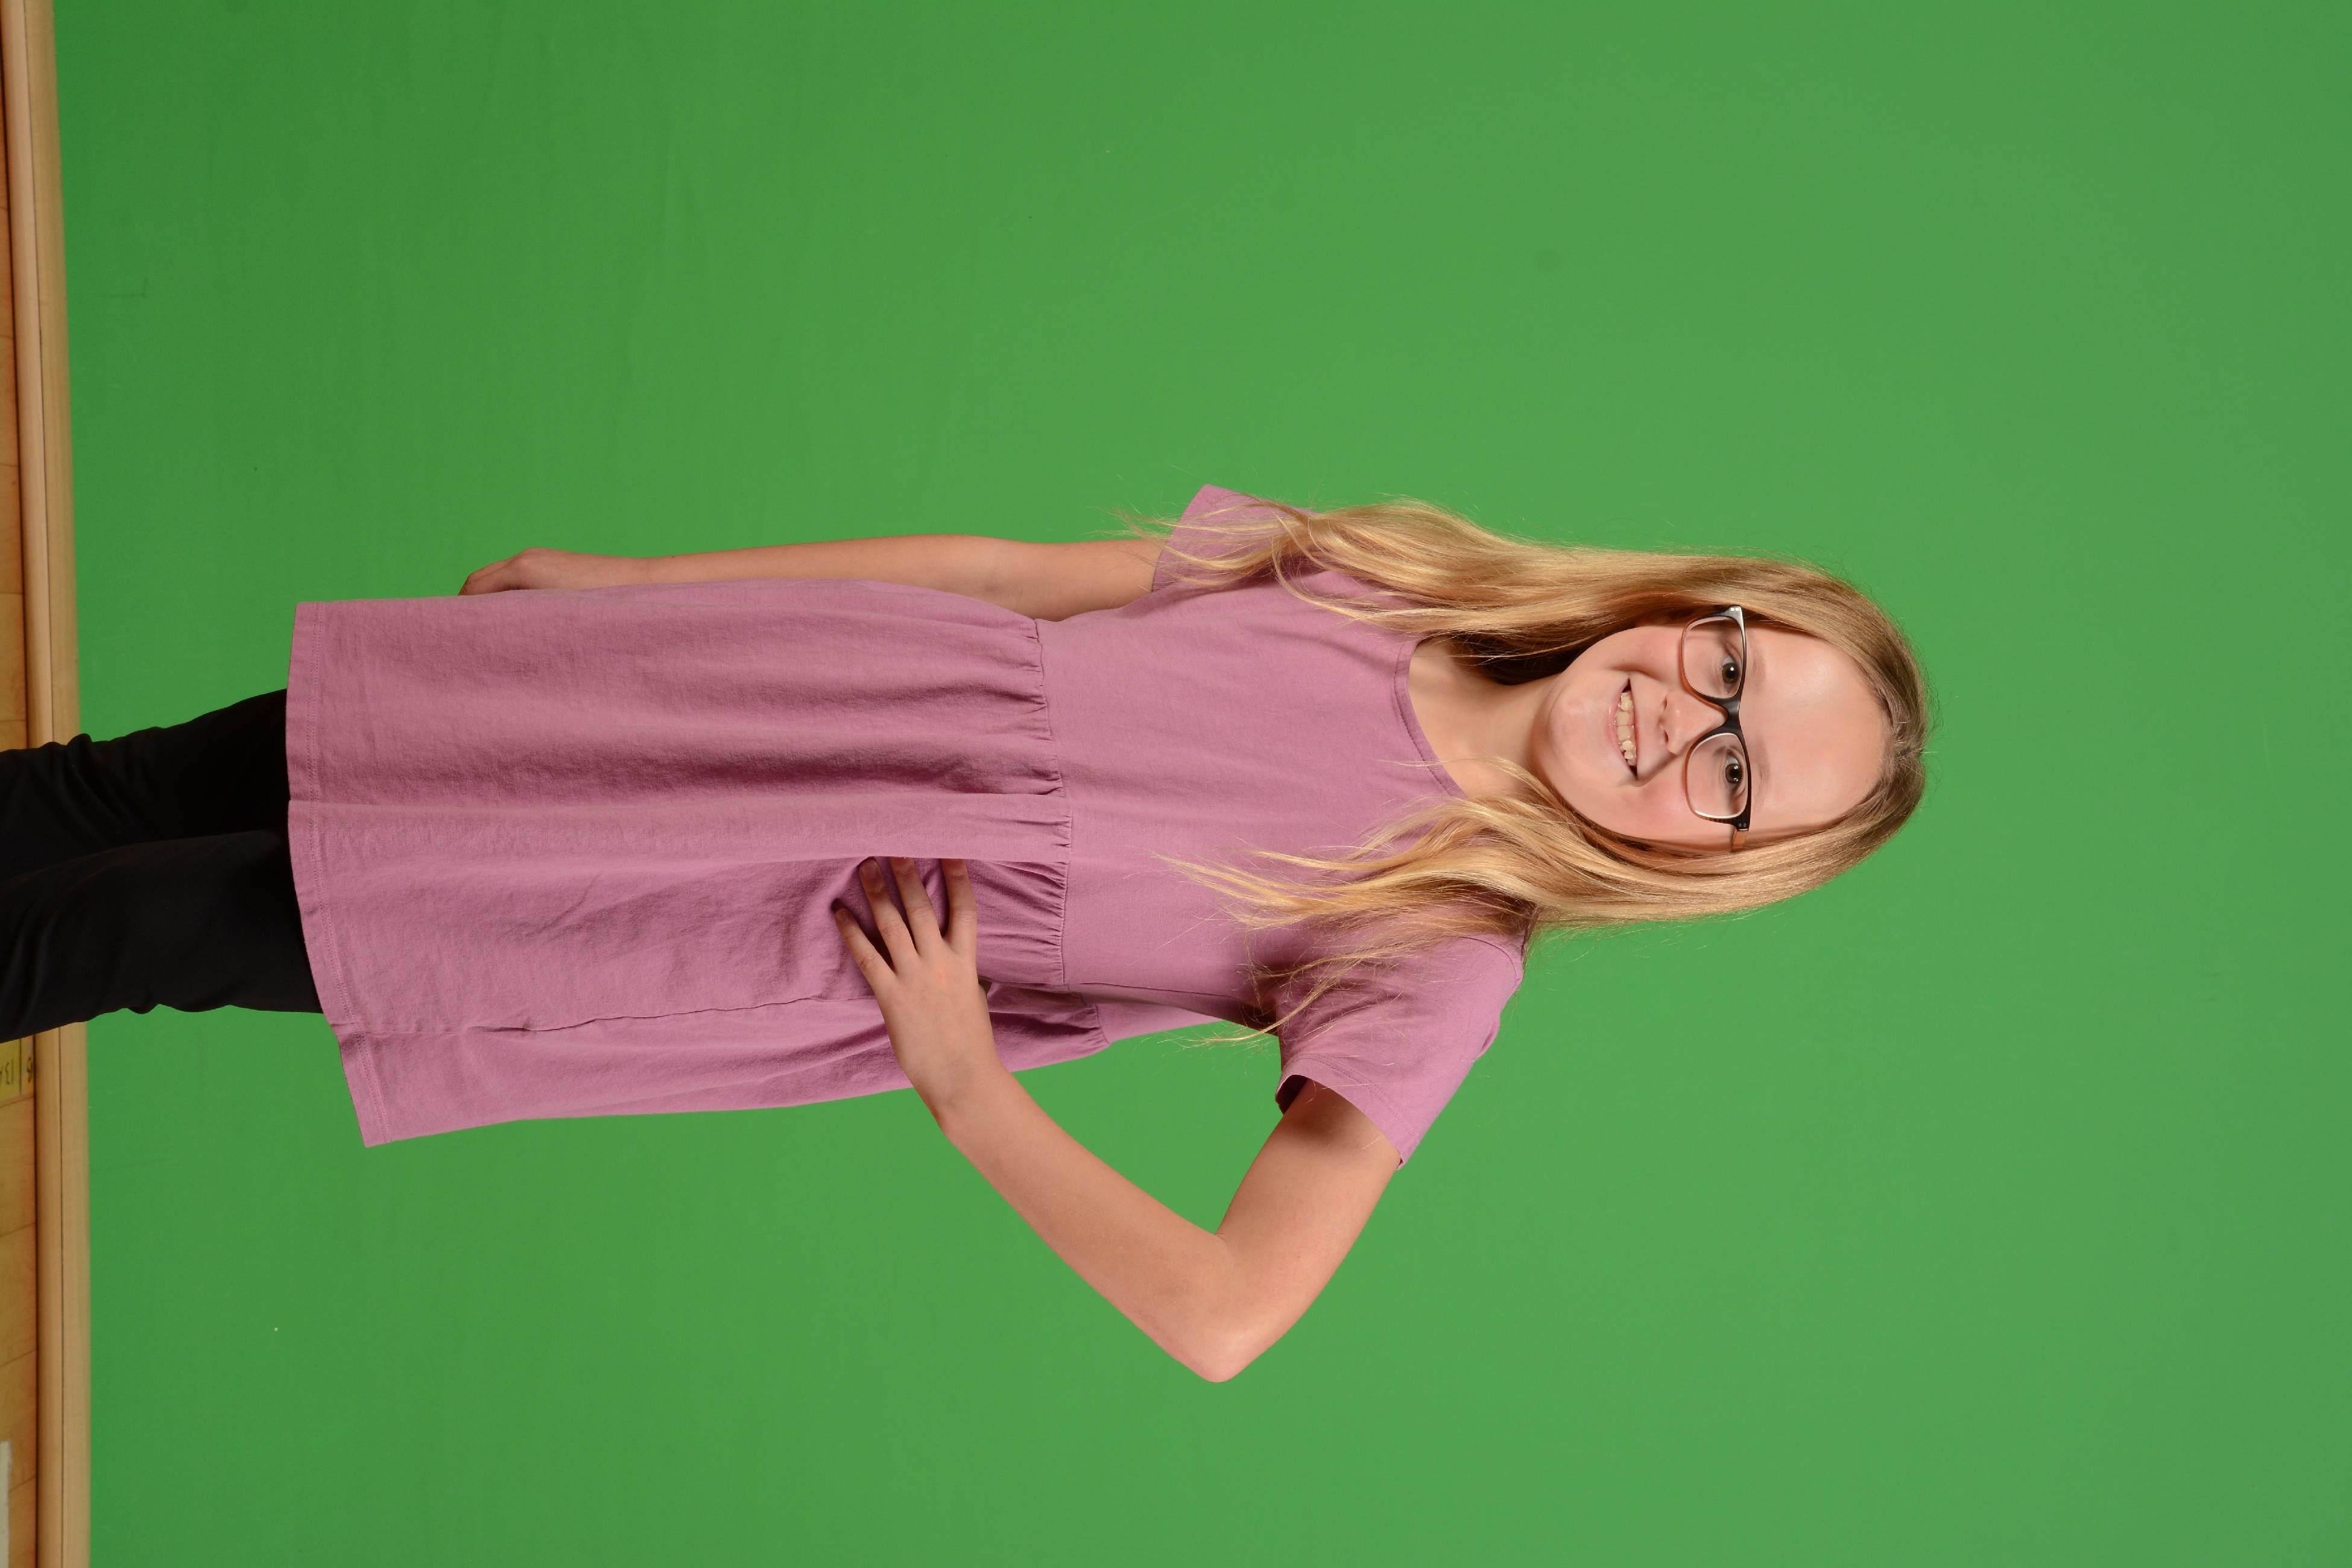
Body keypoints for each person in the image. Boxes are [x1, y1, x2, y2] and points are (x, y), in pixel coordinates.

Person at [0, 485, 1926, 1380]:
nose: (1687, 718)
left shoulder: (1436, 953)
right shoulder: (1389, 573)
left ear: (1708, 860)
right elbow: (1004, 575)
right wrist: (639, 578)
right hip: (681, 709)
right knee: (112, 796)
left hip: (690, 910)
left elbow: (1227, 1317)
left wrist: (968, 1091)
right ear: (1698, 602)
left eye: (1737, 777)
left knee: (118, 924)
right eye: (1729, 663)